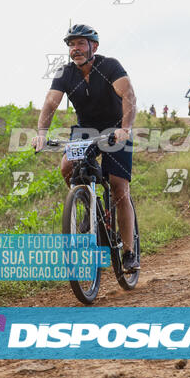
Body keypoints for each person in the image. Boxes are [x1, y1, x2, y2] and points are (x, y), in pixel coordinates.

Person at [31, 24, 139, 272]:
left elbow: (129, 95)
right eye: (71, 45)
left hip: (115, 129)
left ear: (94, 46)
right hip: (85, 131)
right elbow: (50, 103)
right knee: (67, 166)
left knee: (119, 186)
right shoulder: (65, 73)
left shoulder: (110, 65)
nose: (75, 49)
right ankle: (88, 208)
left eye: (80, 44)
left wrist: (125, 128)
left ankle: (129, 252)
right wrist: (41, 133)